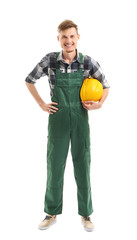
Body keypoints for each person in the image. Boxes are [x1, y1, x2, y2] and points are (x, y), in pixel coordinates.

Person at [25, 19, 110, 232]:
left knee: (83, 164)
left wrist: (99, 104)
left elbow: (105, 84)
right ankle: (51, 213)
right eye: (64, 37)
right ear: (59, 39)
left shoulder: (87, 62)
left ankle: (86, 215)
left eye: (72, 36)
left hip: (81, 118)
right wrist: (42, 104)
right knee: (54, 165)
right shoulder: (50, 61)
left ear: (78, 38)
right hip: (58, 118)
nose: (68, 41)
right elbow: (29, 80)